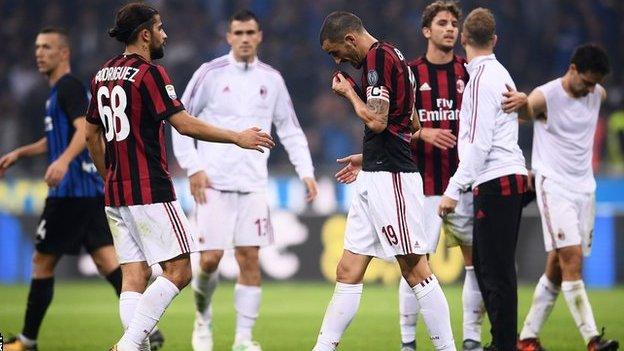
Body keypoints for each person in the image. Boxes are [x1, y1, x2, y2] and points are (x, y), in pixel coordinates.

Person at [83, 3, 274, 351]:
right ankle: (127, 346)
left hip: (115, 192)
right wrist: (237, 137)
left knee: (134, 275)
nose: (164, 34)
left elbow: (91, 135)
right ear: (145, 34)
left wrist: (108, 173)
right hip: (150, 189)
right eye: (160, 27)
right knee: (180, 271)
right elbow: (183, 124)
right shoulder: (150, 74)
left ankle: (134, 346)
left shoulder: (102, 73)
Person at [171, 9, 317, 351]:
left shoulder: (272, 79)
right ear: (229, 36)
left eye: (251, 32)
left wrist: (306, 172)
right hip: (213, 184)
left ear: (260, 35)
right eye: (238, 33)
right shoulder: (209, 74)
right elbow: (178, 121)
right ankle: (203, 318)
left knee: (249, 259)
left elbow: (291, 129)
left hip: (253, 184)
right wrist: (193, 167)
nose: (245, 38)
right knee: (209, 260)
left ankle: (243, 339)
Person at [314, 11, 455, 351]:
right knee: (348, 269)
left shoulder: (378, 57)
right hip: (376, 172)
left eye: (336, 51)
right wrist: (367, 158)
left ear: (350, 39)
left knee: (416, 271)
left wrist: (349, 93)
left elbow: (376, 121)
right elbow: (412, 124)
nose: (338, 60)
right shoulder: (396, 58)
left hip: (392, 178)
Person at [0, 27, 123, 351]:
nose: (39, 52)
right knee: (107, 261)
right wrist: (21, 153)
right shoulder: (59, 92)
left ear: (63, 53)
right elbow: (58, 137)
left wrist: (64, 162)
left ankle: (26, 342)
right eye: (37, 47)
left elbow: (84, 130)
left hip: (70, 192)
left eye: (47, 47)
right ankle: (144, 329)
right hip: (89, 191)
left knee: (42, 262)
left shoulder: (68, 88)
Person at [503, 44, 619, 351]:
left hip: (586, 190)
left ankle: (526, 339)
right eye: (587, 82)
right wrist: (522, 104)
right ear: (571, 70)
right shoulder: (546, 96)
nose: (591, 89)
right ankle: (593, 340)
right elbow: (524, 113)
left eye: (596, 83)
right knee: (573, 259)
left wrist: (593, 88)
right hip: (554, 186)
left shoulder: (598, 95)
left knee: (556, 265)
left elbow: (595, 93)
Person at [437, 8, 527, 351]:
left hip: (496, 180)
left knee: (494, 271)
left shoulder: (479, 80)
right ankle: (501, 342)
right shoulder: (502, 74)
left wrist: (452, 189)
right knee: (497, 268)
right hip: (509, 176)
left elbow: (477, 143)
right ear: (495, 40)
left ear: (462, 39)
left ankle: (504, 344)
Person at [403, 2, 484, 350]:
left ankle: (471, 337)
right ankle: (408, 341)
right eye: (442, 23)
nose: (450, 28)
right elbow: (390, 124)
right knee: (414, 265)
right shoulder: (409, 73)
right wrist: (424, 133)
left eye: (454, 23)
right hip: (422, 186)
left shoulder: (472, 72)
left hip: (464, 184)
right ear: (426, 31)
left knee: (473, 262)